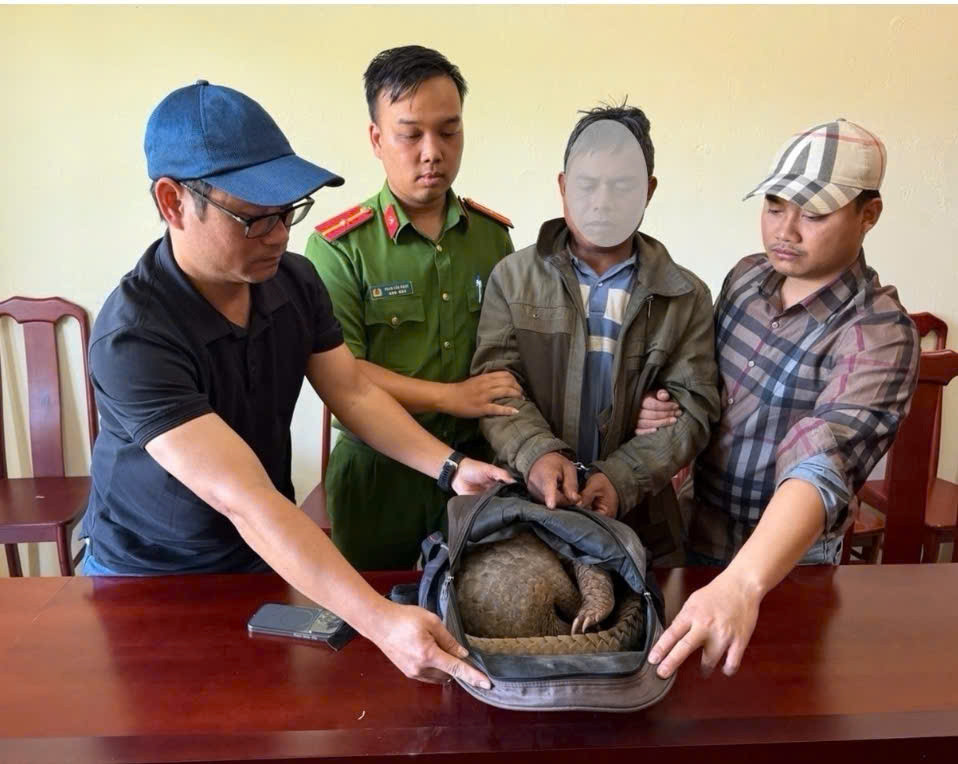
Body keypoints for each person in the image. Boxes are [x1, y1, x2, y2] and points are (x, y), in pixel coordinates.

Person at [80, 79, 513, 689]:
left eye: (288, 211)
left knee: (269, 709)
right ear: (173, 202)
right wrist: (380, 621)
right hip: (150, 575)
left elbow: (353, 393)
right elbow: (244, 498)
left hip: (262, 554)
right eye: (255, 218)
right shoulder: (135, 337)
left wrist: (451, 467)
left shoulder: (293, 281)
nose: (280, 234)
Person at [639, 119, 920, 679]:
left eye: (813, 214)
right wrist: (663, 408)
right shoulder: (746, 279)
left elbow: (822, 461)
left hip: (785, 564)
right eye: (774, 206)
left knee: (775, 694)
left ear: (869, 214)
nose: (785, 230)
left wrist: (743, 582)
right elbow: (702, 385)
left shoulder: (878, 331)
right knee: (679, 691)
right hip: (694, 528)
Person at [470, 103, 721, 563]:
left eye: (622, 186)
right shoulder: (513, 279)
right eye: (587, 185)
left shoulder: (685, 296)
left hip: (642, 525)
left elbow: (694, 409)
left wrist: (622, 477)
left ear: (648, 191)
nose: (602, 202)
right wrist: (537, 453)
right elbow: (495, 388)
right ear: (563, 186)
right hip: (527, 513)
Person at [304, 46, 518, 570]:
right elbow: (343, 372)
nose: (432, 152)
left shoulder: (491, 238)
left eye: (449, 131)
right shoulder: (339, 249)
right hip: (378, 477)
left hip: (479, 466)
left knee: (478, 604)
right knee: (373, 609)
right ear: (377, 139)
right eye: (410, 134)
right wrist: (450, 397)